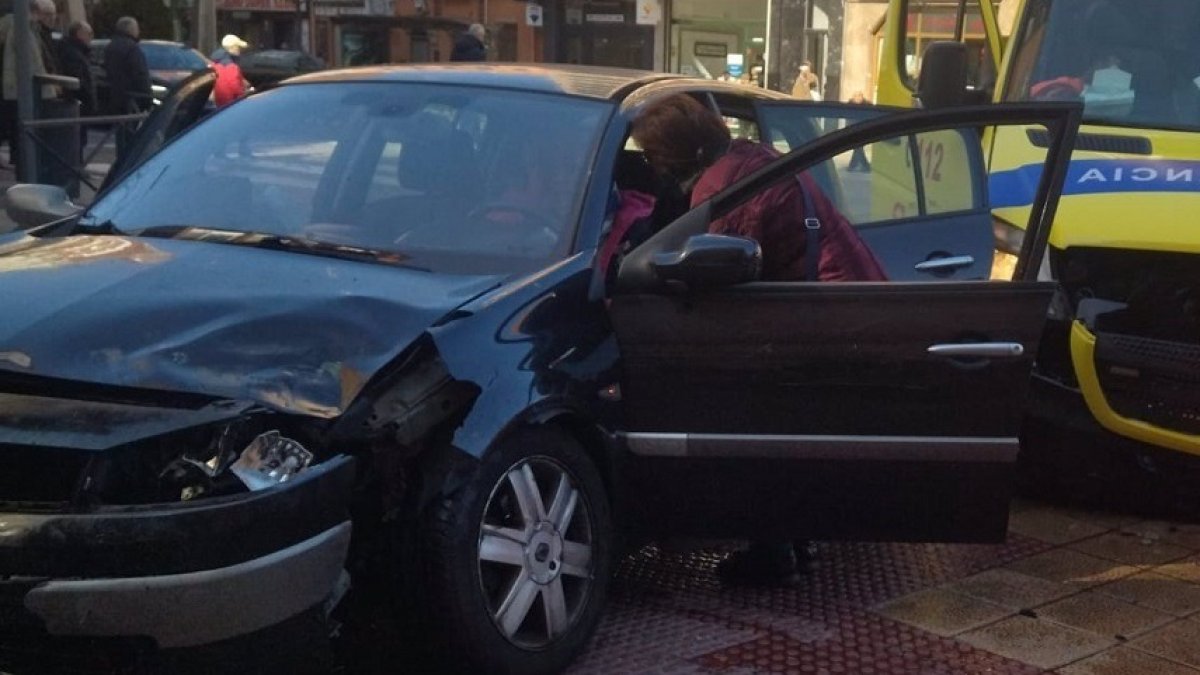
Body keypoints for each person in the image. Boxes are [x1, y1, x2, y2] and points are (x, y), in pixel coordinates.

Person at [629, 93, 886, 585]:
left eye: (653, 158)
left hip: (828, 317)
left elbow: (722, 275)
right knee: (795, 433)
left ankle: (772, 554)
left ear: (677, 156)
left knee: (756, 427)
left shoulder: (723, 190)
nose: (652, 168)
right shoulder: (750, 158)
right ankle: (797, 538)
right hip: (852, 302)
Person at [2, 0, 59, 174]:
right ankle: (28, 174)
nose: (46, 19)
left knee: (22, 134)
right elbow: (33, 63)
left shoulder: (21, 28)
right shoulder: (23, 29)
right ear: (35, 12)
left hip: (14, 90)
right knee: (27, 135)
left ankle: (26, 171)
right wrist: (50, 87)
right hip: (25, 91)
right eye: (45, 14)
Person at [105, 16, 150, 159]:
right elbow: (140, 74)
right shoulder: (132, 48)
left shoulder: (111, 46)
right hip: (132, 98)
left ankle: (121, 163)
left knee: (121, 135)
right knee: (131, 137)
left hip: (116, 97)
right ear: (131, 30)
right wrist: (147, 98)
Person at [59, 21, 96, 161]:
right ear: (80, 34)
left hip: (80, 102)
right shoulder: (73, 53)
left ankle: (77, 165)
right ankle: (76, 166)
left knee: (80, 138)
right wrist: (86, 95)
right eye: (89, 33)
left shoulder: (77, 51)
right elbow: (77, 79)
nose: (91, 37)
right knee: (77, 138)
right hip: (77, 102)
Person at [212, 34, 250, 108]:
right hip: (232, 105)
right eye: (238, 48)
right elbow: (234, 85)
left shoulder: (215, 64)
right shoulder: (231, 66)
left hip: (220, 105)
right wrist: (244, 95)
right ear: (232, 48)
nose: (240, 50)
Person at [847, 91, 871, 172]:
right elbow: (848, 118)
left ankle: (855, 165)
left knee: (858, 147)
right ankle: (859, 165)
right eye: (855, 96)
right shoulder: (850, 105)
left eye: (858, 96)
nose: (857, 98)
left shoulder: (867, 105)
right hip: (853, 128)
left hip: (863, 129)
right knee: (858, 147)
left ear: (862, 96)